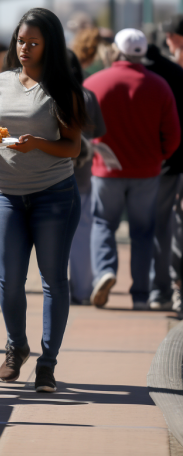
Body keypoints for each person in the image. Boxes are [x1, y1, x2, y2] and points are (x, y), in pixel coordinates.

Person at [0, 7, 85, 393]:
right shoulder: (1, 81)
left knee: (54, 280)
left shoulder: (63, 89)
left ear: (48, 46)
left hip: (53, 195)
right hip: (6, 193)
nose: (24, 48)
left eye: (33, 43)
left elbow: (72, 147)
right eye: (21, 41)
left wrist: (38, 144)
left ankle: (47, 363)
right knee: (9, 282)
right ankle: (15, 346)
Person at [84, 29, 180, 310]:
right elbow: (173, 135)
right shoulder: (159, 85)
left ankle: (105, 271)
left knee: (103, 223)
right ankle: (141, 294)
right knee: (143, 231)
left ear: (115, 50)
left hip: (106, 170)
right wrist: (159, 156)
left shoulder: (94, 83)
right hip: (147, 171)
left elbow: (79, 127)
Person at [144, 42, 183, 311]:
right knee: (166, 224)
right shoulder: (175, 72)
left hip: (149, 162)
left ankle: (156, 289)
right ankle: (162, 288)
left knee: (153, 226)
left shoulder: (146, 76)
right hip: (170, 160)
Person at [67, 50, 106, 305]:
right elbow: (99, 130)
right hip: (80, 174)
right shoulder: (87, 96)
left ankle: (56, 292)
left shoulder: (41, 92)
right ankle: (81, 290)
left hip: (46, 175)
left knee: (50, 237)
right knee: (81, 232)